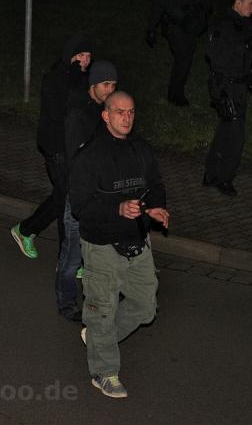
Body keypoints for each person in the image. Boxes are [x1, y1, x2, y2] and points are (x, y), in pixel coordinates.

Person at [70, 91, 169, 399]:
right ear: (106, 115)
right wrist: (117, 209)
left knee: (145, 307)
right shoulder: (89, 156)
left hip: (138, 243)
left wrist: (156, 207)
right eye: (120, 112)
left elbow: (155, 185)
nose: (126, 117)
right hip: (102, 247)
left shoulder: (141, 150)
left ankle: (100, 337)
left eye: (131, 112)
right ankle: (104, 372)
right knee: (102, 311)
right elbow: (80, 207)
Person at [10, 34, 92, 259]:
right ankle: (67, 258)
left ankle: (26, 229)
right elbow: (59, 112)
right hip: (56, 147)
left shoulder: (82, 78)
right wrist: (74, 79)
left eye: (88, 56)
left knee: (63, 196)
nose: (84, 61)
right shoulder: (56, 78)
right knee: (67, 197)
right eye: (80, 56)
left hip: (73, 147)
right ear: (70, 57)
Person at [55, 60, 118, 322]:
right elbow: (75, 158)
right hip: (80, 195)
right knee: (72, 257)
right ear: (93, 85)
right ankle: (66, 301)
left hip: (100, 195)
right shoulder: (78, 114)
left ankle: (98, 301)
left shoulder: (105, 111)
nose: (110, 90)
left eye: (114, 85)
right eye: (106, 84)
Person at [203, 0, 252, 197]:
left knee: (225, 131)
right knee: (236, 136)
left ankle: (211, 174)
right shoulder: (224, 25)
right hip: (226, 87)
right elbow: (215, 55)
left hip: (238, 87)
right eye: (251, 3)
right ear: (238, 3)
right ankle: (224, 179)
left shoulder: (244, 25)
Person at [146, 0, 210, 107]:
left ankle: (176, 91)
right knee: (184, 58)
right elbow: (159, 4)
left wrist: (202, 16)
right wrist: (151, 28)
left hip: (191, 27)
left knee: (185, 59)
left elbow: (205, 2)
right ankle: (175, 94)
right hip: (175, 27)